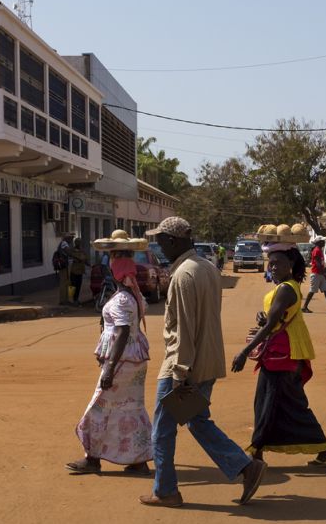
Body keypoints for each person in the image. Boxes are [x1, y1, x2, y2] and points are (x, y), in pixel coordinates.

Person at [140, 216, 267, 508]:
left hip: (183, 365)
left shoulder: (183, 274)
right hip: (207, 361)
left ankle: (166, 491)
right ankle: (246, 467)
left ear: (174, 241)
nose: (159, 247)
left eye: (161, 241)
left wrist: (180, 373)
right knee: (197, 421)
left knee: (163, 429)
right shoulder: (206, 268)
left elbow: (184, 328)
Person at [231, 234, 326, 466]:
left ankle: (256, 451)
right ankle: (322, 448)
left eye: (278, 263)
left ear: (290, 264)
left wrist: (244, 351)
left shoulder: (286, 289)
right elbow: (274, 320)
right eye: (271, 263)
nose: (273, 267)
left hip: (281, 356)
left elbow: (272, 325)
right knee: (288, 405)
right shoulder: (287, 287)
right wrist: (264, 319)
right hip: (283, 354)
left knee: (269, 404)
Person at [66, 231, 153, 476]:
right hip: (135, 360)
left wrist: (110, 370)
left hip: (122, 362)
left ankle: (92, 459)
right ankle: (138, 460)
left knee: (99, 408)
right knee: (131, 408)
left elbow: (123, 332)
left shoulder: (122, 300)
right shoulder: (133, 295)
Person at [301, 235, 326, 313]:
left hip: (320, 274)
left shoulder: (319, 250)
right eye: (323, 241)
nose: (324, 242)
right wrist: (323, 272)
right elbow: (317, 262)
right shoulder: (317, 250)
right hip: (316, 273)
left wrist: (323, 272)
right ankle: (304, 307)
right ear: (319, 242)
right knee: (312, 291)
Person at [68, 238, 88, 306]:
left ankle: (76, 299)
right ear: (75, 243)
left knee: (78, 286)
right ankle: (71, 299)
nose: (79, 244)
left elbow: (84, 258)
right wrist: (80, 258)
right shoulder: (72, 250)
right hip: (74, 271)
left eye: (80, 242)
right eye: (78, 242)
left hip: (80, 271)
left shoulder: (82, 250)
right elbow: (77, 257)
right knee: (72, 286)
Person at [56, 232, 74, 305]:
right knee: (64, 283)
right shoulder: (64, 243)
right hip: (64, 266)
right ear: (67, 238)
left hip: (65, 265)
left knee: (66, 282)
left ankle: (66, 299)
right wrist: (75, 255)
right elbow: (69, 252)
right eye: (70, 238)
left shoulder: (64, 243)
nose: (71, 239)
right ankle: (63, 300)